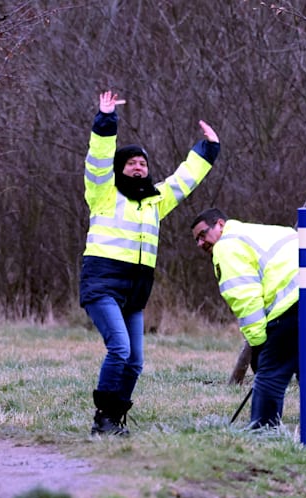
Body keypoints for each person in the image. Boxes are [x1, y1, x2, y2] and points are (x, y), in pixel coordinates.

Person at [81, 90, 220, 436]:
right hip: (102, 284)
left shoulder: (156, 201)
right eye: (131, 163)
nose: (139, 167)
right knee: (120, 349)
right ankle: (103, 418)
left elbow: (184, 181)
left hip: (135, 292)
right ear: (119, 169)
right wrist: (106, 118)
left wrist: (208, 149)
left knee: (136, 362)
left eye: (143, 163)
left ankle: (114, 419)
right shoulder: (103, 193)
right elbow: (98, 157)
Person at [190, 208, 306, 438]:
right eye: (196, 239)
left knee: (271, 370)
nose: (200, 243)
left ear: (220, 225)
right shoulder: (259, 231)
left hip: (303, 293)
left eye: (203, 234)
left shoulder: (226, 245)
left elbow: (245, 298)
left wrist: (258, 345)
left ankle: (263, 434)